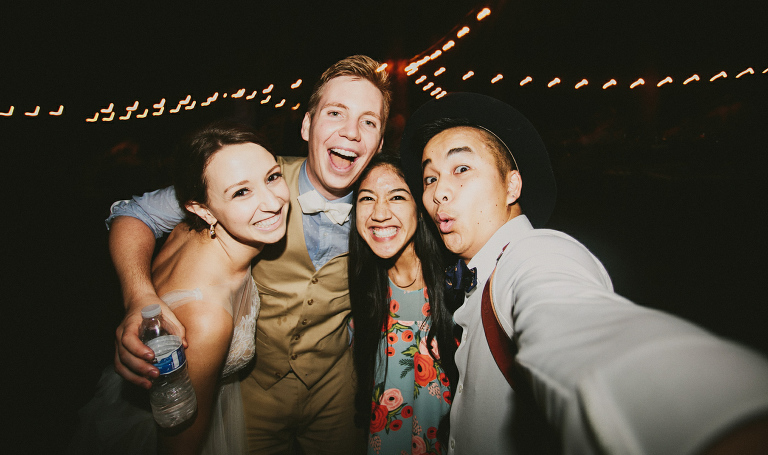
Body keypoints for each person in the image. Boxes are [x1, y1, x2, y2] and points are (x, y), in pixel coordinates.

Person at [399, 92, 768, 455]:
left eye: (461, 169)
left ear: (512, 185)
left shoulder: (536, 252)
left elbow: (586, 334)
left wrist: (712, 423)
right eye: (430, 178)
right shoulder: (474, 275)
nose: (439, 192)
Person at [105, 55, 391, 454]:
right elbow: (134, 214)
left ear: (379, 144)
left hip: (335, 391)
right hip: (253, 394)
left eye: (369, 122)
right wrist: (139, 297)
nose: (351, 132)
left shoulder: (387, 209)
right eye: (335, 113)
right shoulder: (253, 176)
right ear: (307, 125)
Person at [71, 121, 289, 454]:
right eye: (241, 192)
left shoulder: (185, 230)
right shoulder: (207, 320)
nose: (273, 202)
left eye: (272, 177)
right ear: (202, 209)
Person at [348, 152, 457, 455]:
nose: (380, 213)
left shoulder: (456, 284)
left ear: (420, 209)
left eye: (396, 197)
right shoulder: (359, 286)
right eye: (367, 198)